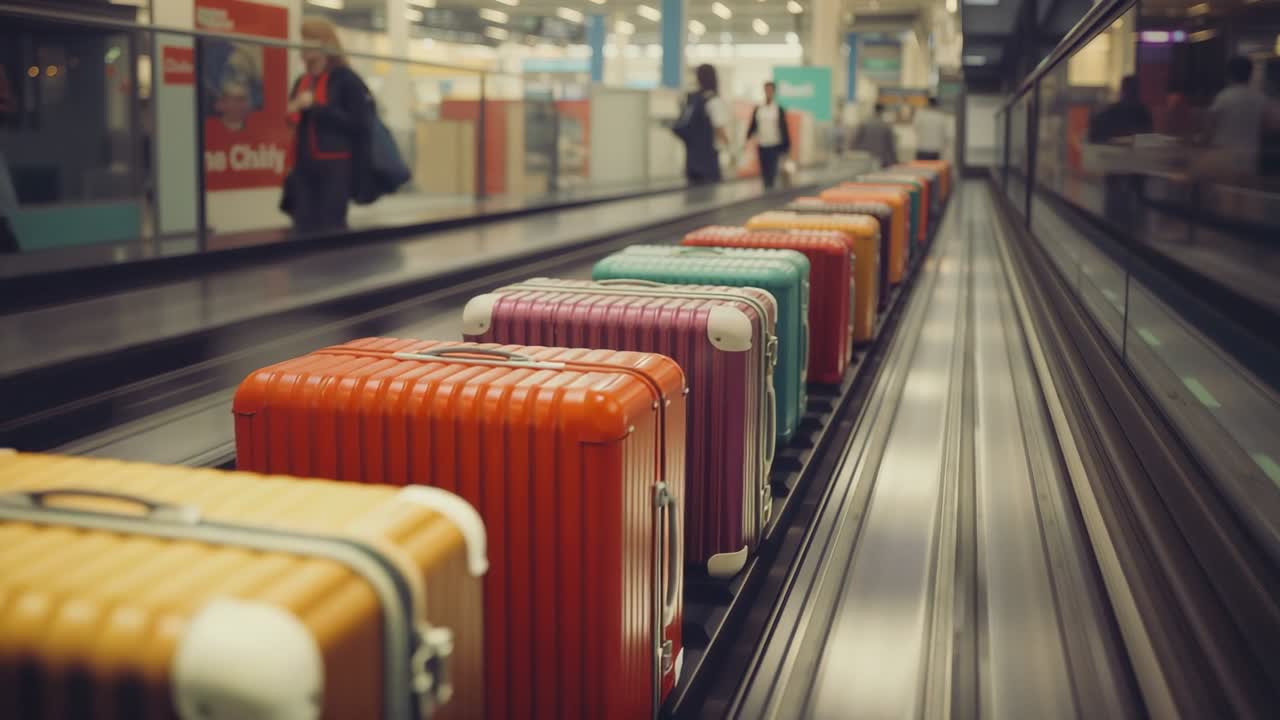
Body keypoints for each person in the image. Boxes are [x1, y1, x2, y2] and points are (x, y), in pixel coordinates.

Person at [284, 17, 370, 234]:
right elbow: (292, 116)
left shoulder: (346, 79)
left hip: (336, 164)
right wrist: (293, 109)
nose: (303, 46)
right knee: (302, 223)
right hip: (303, 164)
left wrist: (316, 107)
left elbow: (358, 122)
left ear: (324, 44)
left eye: (308, 40)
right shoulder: (303, 81)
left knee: (331, 224)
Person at [1205, 56, 1277, 173]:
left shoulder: (1223, 97)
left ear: (1229, 75)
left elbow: (1210, 125)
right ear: (1251, 74)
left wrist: (1206, 142)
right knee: (1245, 183)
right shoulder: (1260, 98)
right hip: (1250, 154)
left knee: (1225, 182)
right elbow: (1269, 126)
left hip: (1224, 152)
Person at [673, 64, 731, 185]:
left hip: (691, 159)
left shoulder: (693, 98)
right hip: (708, 160)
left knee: (693, 192)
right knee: (709, 192)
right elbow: (719, 129)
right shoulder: (713, 100)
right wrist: (731, 149)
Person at [746, 81, 791, 190]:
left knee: (772, 168)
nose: (768, 92)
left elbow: (784, 127)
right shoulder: (759, 108)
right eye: (767, 90)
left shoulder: (778, 109)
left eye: (771, 90)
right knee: (764, 168)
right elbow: (753, 125)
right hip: (762, 143)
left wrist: (787, 145)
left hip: (775, 143)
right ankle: (766, 186)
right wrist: (747, 138)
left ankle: (771, 188)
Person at [850, 103, 898, 168]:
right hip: (880, 159)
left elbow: (856, 141)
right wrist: (894, 160)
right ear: (882, 111)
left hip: (865, 157)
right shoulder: (885, 126)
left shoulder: (865, 123)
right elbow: (890, 146)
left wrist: (853, 153)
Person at [913, 97, 950, 161]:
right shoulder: (941, 117)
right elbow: (946, 135)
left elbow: (916, 128)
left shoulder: (920, 115)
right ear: (936, 105)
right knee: (934, 166)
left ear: (928, 104)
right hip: (936, 150)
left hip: (922, 148)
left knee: (921, 166)